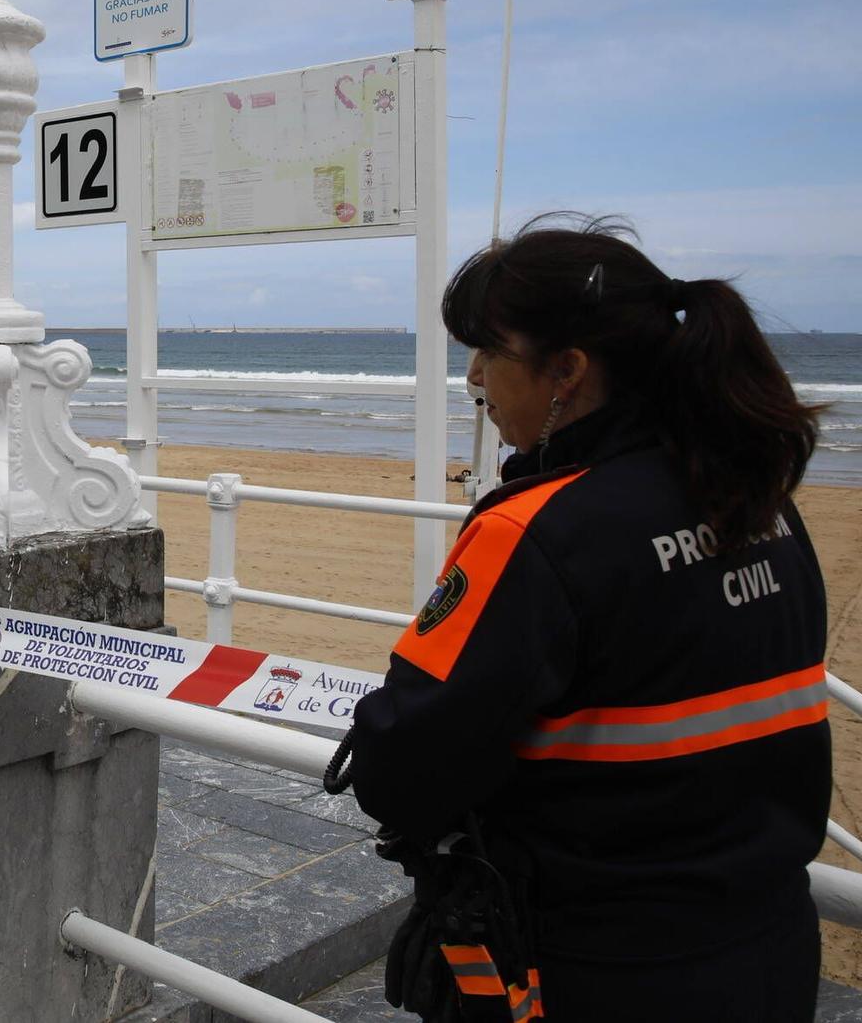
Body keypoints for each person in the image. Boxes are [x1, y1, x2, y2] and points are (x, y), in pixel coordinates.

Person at [338, 215, 829, 1022]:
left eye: (490, 355)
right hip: (769, 946)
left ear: (567, 369)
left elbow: (401, 764)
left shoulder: (531, 530)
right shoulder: (759, 500)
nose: (476, 382)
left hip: (595, 967)